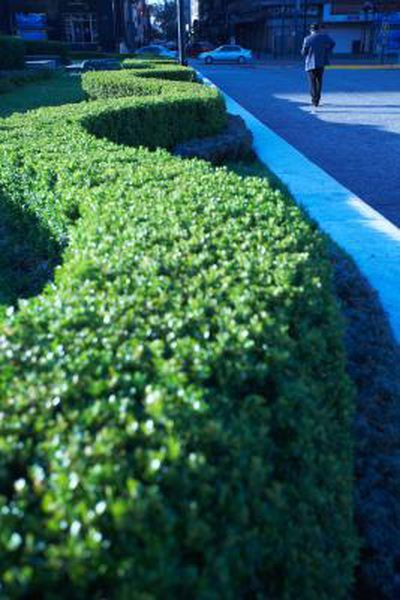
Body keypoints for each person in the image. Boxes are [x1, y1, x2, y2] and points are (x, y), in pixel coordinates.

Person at [301, 23, 335, 110]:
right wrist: (327, 50)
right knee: (319, 81)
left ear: (311, 30)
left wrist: (307, 53)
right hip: (321, 63)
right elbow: (332, 43)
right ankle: (317, 99)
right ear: (318, 29)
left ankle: (314, 99)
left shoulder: (307, 39)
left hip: (310, 64)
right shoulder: (324, 37)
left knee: (312, 82)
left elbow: (304, 52)